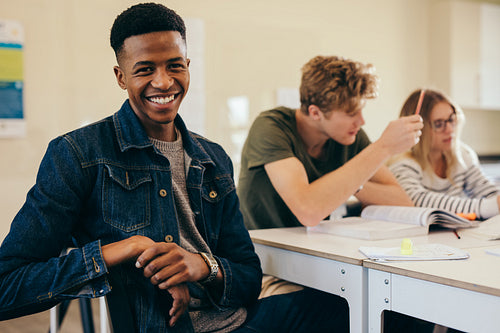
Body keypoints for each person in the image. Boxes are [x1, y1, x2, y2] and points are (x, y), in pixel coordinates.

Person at [0, 3, 348, 332]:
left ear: (188, 65)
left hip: (242, 321)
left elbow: (247, 277)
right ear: (121, 77)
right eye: (145, 69)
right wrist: (124, 248)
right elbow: (8, 285)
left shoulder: (212, 158)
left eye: (175, 65)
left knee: (364, 311)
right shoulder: (78, 154)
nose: (164, 82)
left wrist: (202, 266)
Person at [238, 55, 423, 232]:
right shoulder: (271, 127)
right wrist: (383, 147)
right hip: (259, 248)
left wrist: (349, 183)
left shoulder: (349, 136)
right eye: (351, 114)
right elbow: (308, 211)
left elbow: (402, 202)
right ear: (315, 113)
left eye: (361, 111)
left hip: (308, 246)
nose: (361, 121)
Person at [389, 88, 500, 219]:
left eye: (451, 119)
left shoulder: (462, 155)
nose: (449, 129)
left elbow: (488, 192)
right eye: (439, 124)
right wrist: (487, 207)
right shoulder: (403, 163)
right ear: (417, 127)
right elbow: (418, 200)